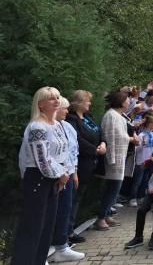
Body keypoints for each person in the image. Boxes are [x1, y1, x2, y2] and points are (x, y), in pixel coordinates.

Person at [13, 87, 69, 265]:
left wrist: (64, 172)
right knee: (33, 227)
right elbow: (42, 160)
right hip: (38, 178)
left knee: (46, 228)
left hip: (53, 178)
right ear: (40, 104)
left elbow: (62, 153)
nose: (56, 101)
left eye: (57, 97)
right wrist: (61, 174)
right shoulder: (37, 127)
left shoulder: (57, 125)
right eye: (51, 98)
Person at [65, 90, 105, 243]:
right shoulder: (72, 119)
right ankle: (67, 231)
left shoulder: (88, 117)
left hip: (91, 163)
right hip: (80, 163)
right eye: (87, 100)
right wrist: (95, 150)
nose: (90, 103)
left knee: (78, 196)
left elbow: (99, 132)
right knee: (73, 197)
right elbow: (77, 140)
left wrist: (103, 143)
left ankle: (70, 228)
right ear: (79, 102)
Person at [50, 97, 85, 263]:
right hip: (54, 176)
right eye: (64, 108)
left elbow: (73, 151)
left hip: (68, 173)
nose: (67, 111)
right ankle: (45, 249)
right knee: (51, 213)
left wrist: (74, 172)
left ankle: (62, 246)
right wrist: (59, 173)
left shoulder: (67, 126)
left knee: (65, 209)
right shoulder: (45, 127)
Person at [95, 91, 133, 231]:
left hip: (119, 157)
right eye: (127, 100)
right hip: (113, 158)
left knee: (114, 189)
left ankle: (107, 214)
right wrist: (131, 139)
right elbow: (110, 137)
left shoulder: (118, 116)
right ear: (121, 101)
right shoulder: (111, 115)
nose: (129, 102)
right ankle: (101, 218)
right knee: (112, 188)